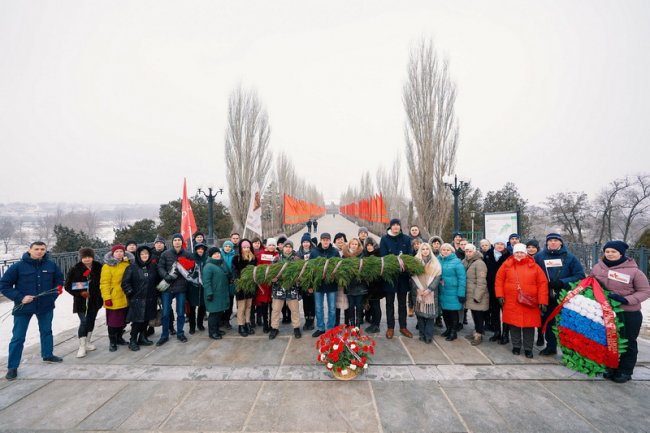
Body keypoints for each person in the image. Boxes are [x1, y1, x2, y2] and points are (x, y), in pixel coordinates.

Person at [1, 241, 64, 381]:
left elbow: (59, 282)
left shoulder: (51, 265)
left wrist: (52, 297)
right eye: (36, 249)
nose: (40, 251)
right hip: (24, 307)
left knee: (46, 331)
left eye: (42, 249)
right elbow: (4, 285)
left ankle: (48, 354)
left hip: (45, 306)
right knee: (18, 337)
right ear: (29, 250)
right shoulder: (18, 266)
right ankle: (12, 366)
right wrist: (20, 297)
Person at [591, 240, 650, 383]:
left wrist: (626, 300)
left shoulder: (634, 271)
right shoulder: (598, 267)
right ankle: (611, 366)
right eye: (607, 251)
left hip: (628, 313)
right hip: (606, 312)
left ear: (621, 253)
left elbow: (645, 291)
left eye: (613, 252)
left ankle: (625, 370)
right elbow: (590, 283)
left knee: (628, 342)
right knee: (609, 341)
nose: (610, 254)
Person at [534, 233, 585, 356]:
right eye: (550, 240)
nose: (553, 243)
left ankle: (570, 350)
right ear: (546, 242)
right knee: (548, 321)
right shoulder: (539, 257)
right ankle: (551, 346)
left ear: (561, 243)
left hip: (563, 295)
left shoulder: (569, 257)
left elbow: (580, 275)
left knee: (565, 323)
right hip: (546, 295)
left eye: (556, 240)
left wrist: (562, 282)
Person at [496, 243, 548, 358]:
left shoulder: (534, 266)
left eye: (521, 252)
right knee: (514, 325)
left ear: (525, 253)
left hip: (529, 302)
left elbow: (542, 284)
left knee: (529, 326)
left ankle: (528, 348)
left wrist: (542, 301)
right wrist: (500, 295)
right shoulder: (506, 265)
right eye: (517, 252)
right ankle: (516, 346)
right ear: (514, 253)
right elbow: (499, 280)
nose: (519, 255)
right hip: (511, 300)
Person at [64, 247, 103, 358]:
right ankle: (81, 345)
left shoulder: (99, 267)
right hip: (81, 300)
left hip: (95, 299)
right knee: (84, 321)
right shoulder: (75, 268)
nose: (87, 259)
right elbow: (68, 285)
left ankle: (88, 342)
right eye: (84, 257)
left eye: (89, 257)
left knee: (91, 320)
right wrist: (81, 292)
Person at [156, 233, 195, 345]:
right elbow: (160, 267)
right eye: (175, 240)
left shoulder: (187, 254)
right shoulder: (165, 254)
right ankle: (164, 335)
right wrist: (165, 275)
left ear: (182, 242)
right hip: (167, 288)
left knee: (181, 312)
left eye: (179, 240)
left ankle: (180, 333)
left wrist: (187, 273)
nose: (177, 242)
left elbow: (192, 268)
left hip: (181, 287)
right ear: (172, 242)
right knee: (166, 313)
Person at [380, 218, 414, 339]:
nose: (396, 227)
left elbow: (409, 255)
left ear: (400, 227)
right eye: (393, 225)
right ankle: (390, 327)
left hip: (403, 277)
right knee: (389, 303)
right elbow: (383, 257)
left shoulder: (406, 239)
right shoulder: (384, 239)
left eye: (397, 225)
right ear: (390, 227)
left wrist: (402, 260)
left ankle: (403, 327)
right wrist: (398, 260)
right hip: (390, 276)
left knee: (402, 303)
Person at [121, 246, 158, 351]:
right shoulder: (132, 267)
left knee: (146, 319)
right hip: (137, 299)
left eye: (146, 254)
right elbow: (125, 283)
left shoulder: (153, 266)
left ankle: (143, 337)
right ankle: (133, 340)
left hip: (150, 298)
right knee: (137, 321)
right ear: (138, 255)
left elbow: (157, 280)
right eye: (142, 254)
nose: (144, 256)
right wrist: (131, 293)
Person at [100, 244, 132, 351]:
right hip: (114, 296)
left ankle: (119, 338)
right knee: (113, 322)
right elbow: (104, 283)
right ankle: (112, 342)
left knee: (123, 321)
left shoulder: (126, 264)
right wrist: (107, 298)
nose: (119, 253)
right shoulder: (107, 266)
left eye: (121, 251)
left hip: (126, 296)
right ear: (113, 253)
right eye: (117, 252)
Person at [269, 241, 302, 339]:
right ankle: (274, 328)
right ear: (282, 248)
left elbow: (301, 273)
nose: (288, 248)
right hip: (278, 289)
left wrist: (298, 279)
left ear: (292, 248)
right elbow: (270, 273)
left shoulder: (297, 259)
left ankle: (296, 327)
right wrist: (273, 279)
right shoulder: (276, 259)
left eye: (289, 247)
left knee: (295, 310)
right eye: (286, 246)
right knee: (275, 310)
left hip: (292, 289)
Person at [410, 242, 441, 343]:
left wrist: (429, 289)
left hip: (431, 293)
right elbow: (412, 278)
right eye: (423, 249)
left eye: (427, 249)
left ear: (430, 250)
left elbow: (437, 277)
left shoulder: (435, 262)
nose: (425, 251)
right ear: (420, 250)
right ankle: (421, 334)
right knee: (420, 315)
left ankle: (428, 336)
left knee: (429, 316)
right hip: (418, 292)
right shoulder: (415, 261)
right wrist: (418, 289)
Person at [310, 233, 339, 337]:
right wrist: (310, 284)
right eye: (323, 239)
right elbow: (310, 270)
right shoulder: (314, 252)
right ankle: (321, 328)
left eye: (327, 240)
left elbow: (339, 268)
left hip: (331, 285)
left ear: (330, 241)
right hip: (318, 285)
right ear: (320, 241)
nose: (325, 241)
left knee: (332, 308)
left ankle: (330, 328)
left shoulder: (335, 252)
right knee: (318, 307)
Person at [484, 239, 511, 344]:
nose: (499, 246)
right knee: (494, 311)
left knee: (505, 312)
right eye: (497, 244)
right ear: (494, 245)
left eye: (502, 244)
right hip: (491, 287)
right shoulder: (488, 254)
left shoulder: (508, 256)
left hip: (505, 288)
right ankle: (497, 332)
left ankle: (505, 334)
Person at [438, 243, 466, 341]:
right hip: (443, 291)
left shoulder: (457, 262)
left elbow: (462, 278)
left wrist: (461, 293)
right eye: (443, 249)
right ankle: (448, 329)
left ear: (452, 251)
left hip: (453, 291)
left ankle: (453, 332)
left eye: (448, 250)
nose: (445, 251)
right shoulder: (439, 260)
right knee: (445, 312)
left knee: (453, 312)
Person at [462, 244, 489, 345]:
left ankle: (479, 335)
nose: (468, 253)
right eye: (466, 251)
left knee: (478, 315)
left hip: (477, 294)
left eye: (470, 251)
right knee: (474, 314)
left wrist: (478, 296)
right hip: (470, 293)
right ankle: (476, 331)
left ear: (475, 251)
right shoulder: (466, 261)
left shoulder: (479, 263)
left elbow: (481, 282)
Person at [202, 247, 230, 340]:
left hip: (220, 294)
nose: (217, 255)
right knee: (214, 314)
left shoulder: (220, 264)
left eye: (218, 253)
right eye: (214, 254)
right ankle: (212, 333)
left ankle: (217, 329)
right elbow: (206, 281)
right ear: (210, 256)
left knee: (219, 313)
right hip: (213, 295)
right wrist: (209, 293)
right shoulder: (208, 266)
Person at [233, 239, 257, 337]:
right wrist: (239, 281)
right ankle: (241, 325)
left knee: (249, 306)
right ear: (241, 248)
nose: (246, 249)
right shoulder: (237, 258)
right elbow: (234, 272)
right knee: (241, 307)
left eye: (248, 247)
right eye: (244, 247)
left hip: (250, 286)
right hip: (241, 286)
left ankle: (247, 323)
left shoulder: (253, 258)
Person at [255, 238, 279, 333]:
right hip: (264, 285)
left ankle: (272, 323)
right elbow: (257, 268)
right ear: (267, 246)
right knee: (264, 306)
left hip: (274, 284)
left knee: (273, 307)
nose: (271, 247)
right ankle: (265, 324)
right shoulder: (261, 255)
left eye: (273, 245)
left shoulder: (277, 255)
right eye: (270, 245)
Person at [362, 238, 384, 333]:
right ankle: (372, 322)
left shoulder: (379, 255)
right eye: (367, 246)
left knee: (376, 305)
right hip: (368, 286)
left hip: (376, 286)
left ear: (374, 245)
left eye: (371, 245)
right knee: (371, 304)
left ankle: (376, 324)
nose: (369, 247)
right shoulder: (365, 255)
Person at [343, 238, 365, 327]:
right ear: (349, 245)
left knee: (359, 306)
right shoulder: (345, 255)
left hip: (360, 285)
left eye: (356, 244)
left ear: (358, 246)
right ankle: (352, 323)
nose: (354, 246)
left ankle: (358, 324)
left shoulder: (362, 255)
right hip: (349, 285)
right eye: (352, 244)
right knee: (351, 306)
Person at [187, 242, 208, 334]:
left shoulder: (206, 259)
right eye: (199, 249)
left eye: (202, 249)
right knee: (192, 308)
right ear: (196, 250)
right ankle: (192, 326)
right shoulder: (191, 259)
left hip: (203, 287)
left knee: (202, 307)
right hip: (193, 287)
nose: (200, 250)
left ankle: (200, 324)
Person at [297, 233, 316, 331]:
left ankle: (312, 321)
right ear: (301, 243)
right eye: (304, 242)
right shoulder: (298, 253)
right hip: (303, 281)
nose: (306, 244)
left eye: (307, 242)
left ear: (310, 243)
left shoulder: (314, 252)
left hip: (312, 281)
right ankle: (306, 320)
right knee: (305, 303)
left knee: (312, 302)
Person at [220, 240, 237, 330]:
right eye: (226, 246)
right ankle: (221, 319)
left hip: (231, 282)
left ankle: (227, 320)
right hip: (222, 282)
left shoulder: (235, 256)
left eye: (229, 246)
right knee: (222, 302)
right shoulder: (219, 255)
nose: (227, 248)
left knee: (230, 303)